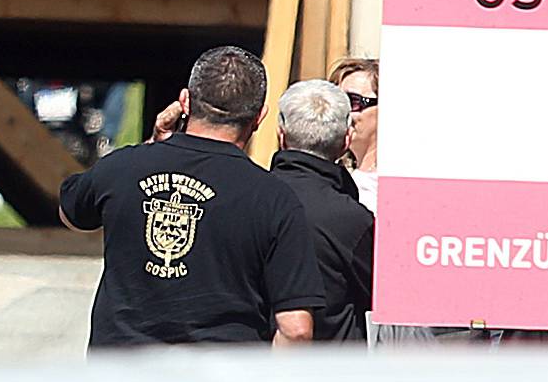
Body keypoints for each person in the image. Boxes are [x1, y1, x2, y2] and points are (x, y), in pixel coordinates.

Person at [61, 44, 322, 348]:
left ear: (184, 101)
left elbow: (71, 214)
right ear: (259, 117)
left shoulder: (122, 168)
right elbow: (296, 329)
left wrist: (151, 146)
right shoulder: (275, 198)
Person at [268, 79, 375, 343]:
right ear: (345, 141)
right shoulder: (353, 219)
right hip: (334, 375)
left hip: (249, 367)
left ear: (281, 135)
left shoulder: (247, 199)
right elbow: (381, 292)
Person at [329, 54, 379, 206]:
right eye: (337, 102)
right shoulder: (333, 172)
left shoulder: (400, 180)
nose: (342, 112)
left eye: (353, 101)